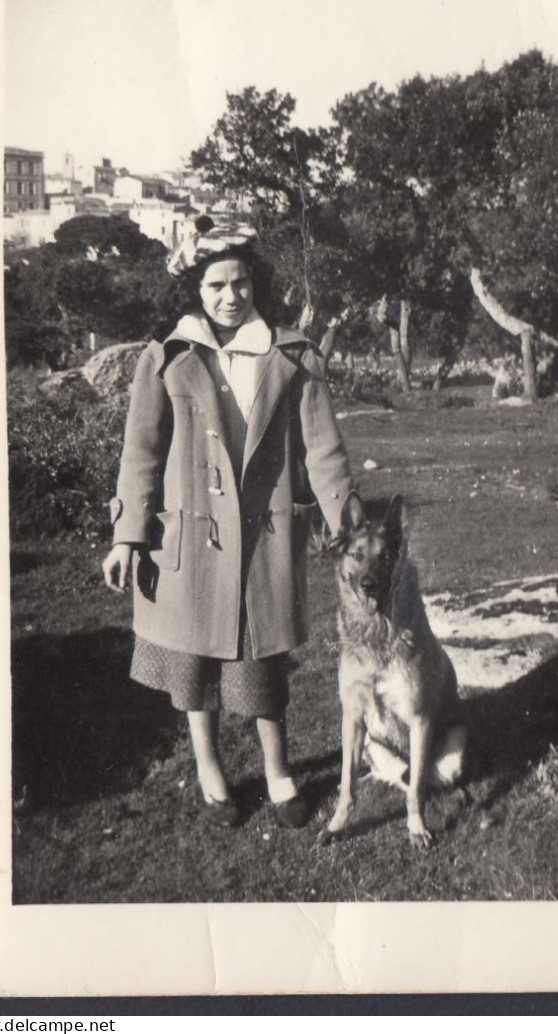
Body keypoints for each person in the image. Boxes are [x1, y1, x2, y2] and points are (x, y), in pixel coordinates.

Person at [102, 216, 354, 829]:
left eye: (239, 284)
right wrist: (126, 536)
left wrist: (347, 527)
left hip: (262, 537)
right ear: (197, 289)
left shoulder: (291, 355)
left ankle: (279, 773)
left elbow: (323, 450)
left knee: (262, 662)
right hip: (188, 538)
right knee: (193, 665)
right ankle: (211, 772)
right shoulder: (167, 358)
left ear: (254, 284)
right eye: (215, 286)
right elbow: (141, 452)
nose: (229, 297)